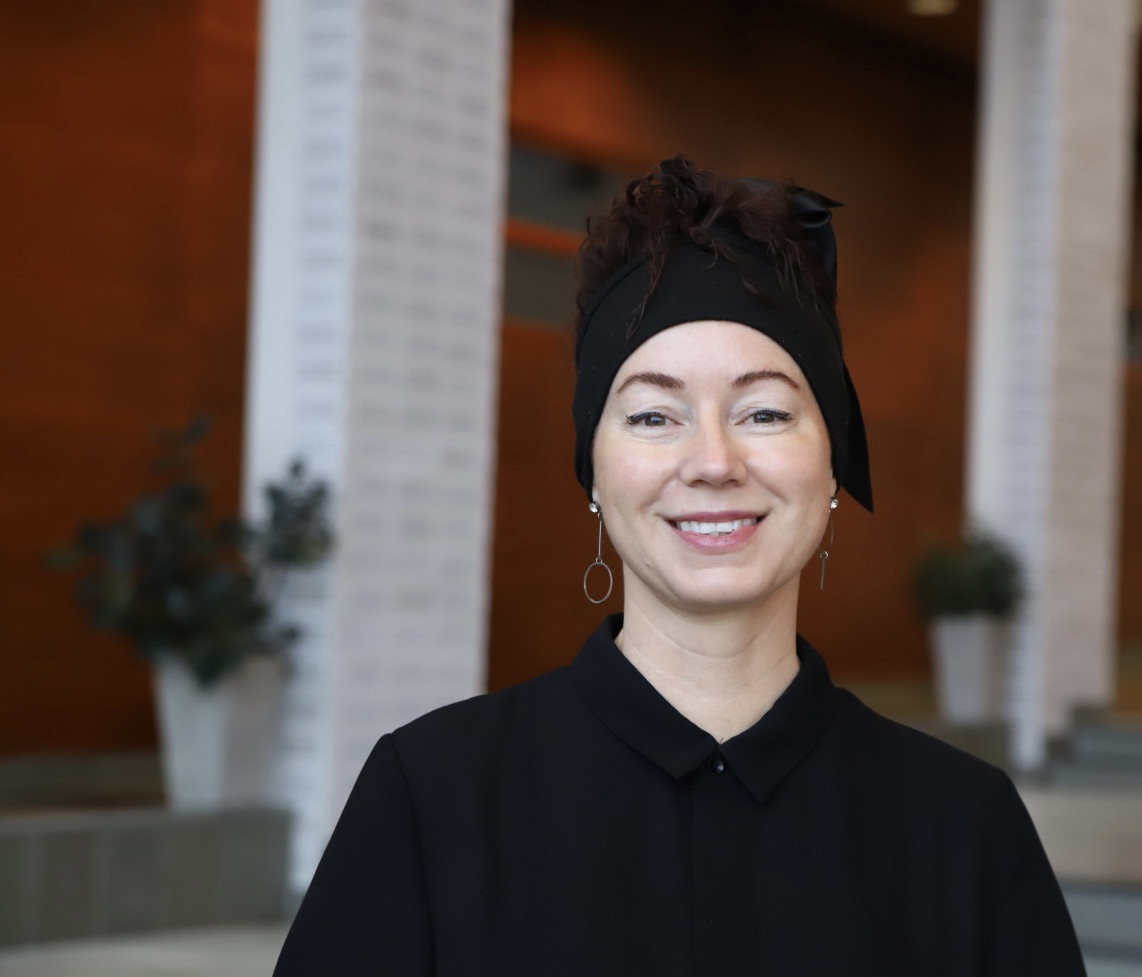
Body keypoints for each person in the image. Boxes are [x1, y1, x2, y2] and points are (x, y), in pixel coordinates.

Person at [272, 156, 1087, 976]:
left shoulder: (965, 825)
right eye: (654, 416)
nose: (713, 461)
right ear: (594, 474)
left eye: (763, 412)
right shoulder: (430, 796)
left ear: (832, 463)